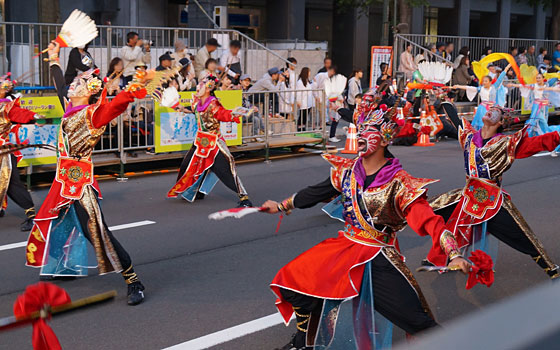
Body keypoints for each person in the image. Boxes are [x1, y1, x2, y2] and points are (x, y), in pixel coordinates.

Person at [262, 104, 469, 350]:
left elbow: (428, 220)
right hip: (345, 247)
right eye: (359, 130)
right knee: (293, 283)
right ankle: (303, 343)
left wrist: (453, 253)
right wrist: (282, 205)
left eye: (368, 131)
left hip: (378, 257)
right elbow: (316, 192)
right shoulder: (347, 172)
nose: (360, 135)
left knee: (416, 320)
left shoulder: (399, 184)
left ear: (383, 140)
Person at [28, 40, 150, 305]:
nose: (72, 84)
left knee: (95, 232)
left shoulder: (91, 114)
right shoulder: (70, 106)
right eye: (75, 83)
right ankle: (65, 267)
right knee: (57, 224)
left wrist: (132, 89)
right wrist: (54, 57)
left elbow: (114, 107)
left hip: (80, 184)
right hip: (63, 181)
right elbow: (60, 82)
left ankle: (133, 280)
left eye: (78, 84)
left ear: (88, 93)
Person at [425, 105, 560, 280]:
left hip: (492, 201)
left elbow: (537, 143)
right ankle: (438, 260)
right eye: (490, 108)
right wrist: (445, 103)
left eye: (496, 111)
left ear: (502, 121)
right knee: (433, 215)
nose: (490, 110)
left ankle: (550, 268)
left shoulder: (506, 143)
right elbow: (456, 120)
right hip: (468, 196)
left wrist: (557, 137)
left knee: (521, 235)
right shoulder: (469, 138)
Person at [167, 76, 253, 206]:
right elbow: (193, 110)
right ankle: (195, 191)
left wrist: (238, 113)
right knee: (188, 165)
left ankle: (244, 198)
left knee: (224, 171)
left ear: (208, 88)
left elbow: (223, 114)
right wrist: (179, 107)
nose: (197, 87)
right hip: (201, 141)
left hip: (214, 142)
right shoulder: (196, 101)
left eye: (200, 85)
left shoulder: (213, 104)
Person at [0, 75, 42, 231]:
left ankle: (32, 216)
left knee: (11, 183)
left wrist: (33, 117)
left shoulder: (6, 107)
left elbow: (20, 114)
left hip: (4, 152)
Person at [508, 73, 560, 157]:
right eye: (537, 78)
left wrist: (557, 73)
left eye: (539, 78)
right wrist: (513, 84)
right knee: (536, 123)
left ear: (543, 79)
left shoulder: (546, 85)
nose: (538, 79)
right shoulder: (534, 85)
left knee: (542, 124)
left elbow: (554, 80)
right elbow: (524, 85)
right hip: (537, 107)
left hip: (544, 107)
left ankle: (546, 141)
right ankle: (522, 140)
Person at [453, 63, 511, 130]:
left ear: (490, 82)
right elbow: (469, 87)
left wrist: (507, 67)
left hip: (492, 108)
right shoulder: (481, 88)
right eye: (483, 81)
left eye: (486, 81)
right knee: (482, 125)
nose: (484, 82)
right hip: (483, 108)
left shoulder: (494, 87)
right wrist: (458, 86)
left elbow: (501, 77)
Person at [240, 74, 265, 138]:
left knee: (256, 118)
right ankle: (263, 129)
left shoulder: (247, 91)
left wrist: (252, 107)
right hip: (240, 114)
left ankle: (254, 136)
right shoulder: (238, 90)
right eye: (245, 80)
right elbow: (241, 103)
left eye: (248, 80)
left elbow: (247, 102)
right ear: (240, 81)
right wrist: (251, 108)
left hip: (246, 113)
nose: (247, 82)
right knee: (256, 113)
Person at [295, 67, 314, 131]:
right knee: (302, 116)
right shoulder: (300, 82)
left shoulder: (307, 81)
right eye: (309, 72)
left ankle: (303, 128)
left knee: (305, 117)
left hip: (308, 102)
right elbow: (298, 93)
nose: (309, 73)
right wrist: (298, 101)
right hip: (303, 102)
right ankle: (300, 129)